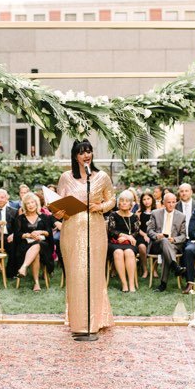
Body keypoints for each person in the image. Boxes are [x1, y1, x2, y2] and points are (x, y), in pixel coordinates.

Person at [53, 140, 115, 337]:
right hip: (71, 230)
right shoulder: (65, 177)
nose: (86, 155)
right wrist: (57, 212)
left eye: (89, 151)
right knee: (76, 274)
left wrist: (101, 207)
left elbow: (112, 199)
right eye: (82, 152)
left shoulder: (102, 177)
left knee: (94, 274)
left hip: (95, 229)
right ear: (75, 156)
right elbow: (57, 205)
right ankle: (78, 322)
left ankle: (98, 319)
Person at [8, 191, 54, 291]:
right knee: (36, 253)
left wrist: (39, 232)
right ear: (25, 205)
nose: (30, 205)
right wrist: (29, 235)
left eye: (32, 202)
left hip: (43, 245)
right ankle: (36, 283)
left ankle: (23, 267)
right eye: (27, 203)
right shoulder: (20, 218)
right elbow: (17, 235)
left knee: (38, 245)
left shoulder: (44, 217)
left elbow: (48, 233)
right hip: (25, 245)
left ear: (36, 203)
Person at [146, 193, 187, 292]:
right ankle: (175, 267)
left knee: (166, 251)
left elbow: (183, 235)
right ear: (163, 203)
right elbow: (149, 230)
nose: (171, 205)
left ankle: (163, 284)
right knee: (164, 241)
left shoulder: (181, 216)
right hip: (157, 244)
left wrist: (174, 239)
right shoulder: (155, 213)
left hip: (172, 245)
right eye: (169, 202)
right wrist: (156, 235)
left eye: (173, 202)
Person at [107, 190, 140, 292]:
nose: (124, 203)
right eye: (122, 200)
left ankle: (131, 284)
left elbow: (136, 232)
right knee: (118, 252)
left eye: (127, 201)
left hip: (129, 244)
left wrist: (127, 238)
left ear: (131, 203)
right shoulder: (113, 215)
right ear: (118, 203)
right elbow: (111, 230)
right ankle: (124, 284)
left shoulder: (134, 216)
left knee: (129, 252)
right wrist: (124, 235)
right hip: (114, 242)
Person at [176, 183, 195, 289]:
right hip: (178, 238)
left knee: (189, 250)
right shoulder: (175, 206)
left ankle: (190, 282)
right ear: (179, 193)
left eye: (186, 191)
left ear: (191, 192)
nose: (184, 193)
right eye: (182, 191)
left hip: (193, 239)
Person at [136, 191, 157, 279]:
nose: (146, 201)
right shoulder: (139, 213)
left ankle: (154, 269)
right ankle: (145, 269)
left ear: (152, 199)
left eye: (148, 199)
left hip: (154, 235)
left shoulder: (157, 212)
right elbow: (137, 228)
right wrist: (144, 235)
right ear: (141, 201)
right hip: (142, 235)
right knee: (141, 247)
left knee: (157, 245)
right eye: (144, 199)